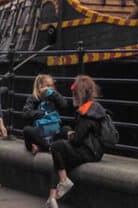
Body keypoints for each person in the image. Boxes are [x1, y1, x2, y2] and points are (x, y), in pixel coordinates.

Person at [44, 75, 107, 208]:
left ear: (79, 94)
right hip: (93, 149)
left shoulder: (87, 113)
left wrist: (69, 135)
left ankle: (63, 181)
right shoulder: (93, 107)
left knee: (57, 147)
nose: (72, 96)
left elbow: (77, 140)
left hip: (89, 151)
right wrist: (69, 133)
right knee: (59, 156)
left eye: (74, 94)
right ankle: (52, 198)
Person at [21, 74, 70, 155]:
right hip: (40, 134)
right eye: (47, 85)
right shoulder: (33, 98)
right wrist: (43, 114)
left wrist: (54, 94)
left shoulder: (54, 96)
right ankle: (49, 147)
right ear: (39, 87)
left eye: (52, 85)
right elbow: (26, 114)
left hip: (54, 133)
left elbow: (64, 105)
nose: (50, 88)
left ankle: (45, 147)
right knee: (27, 130)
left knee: (67, 129)